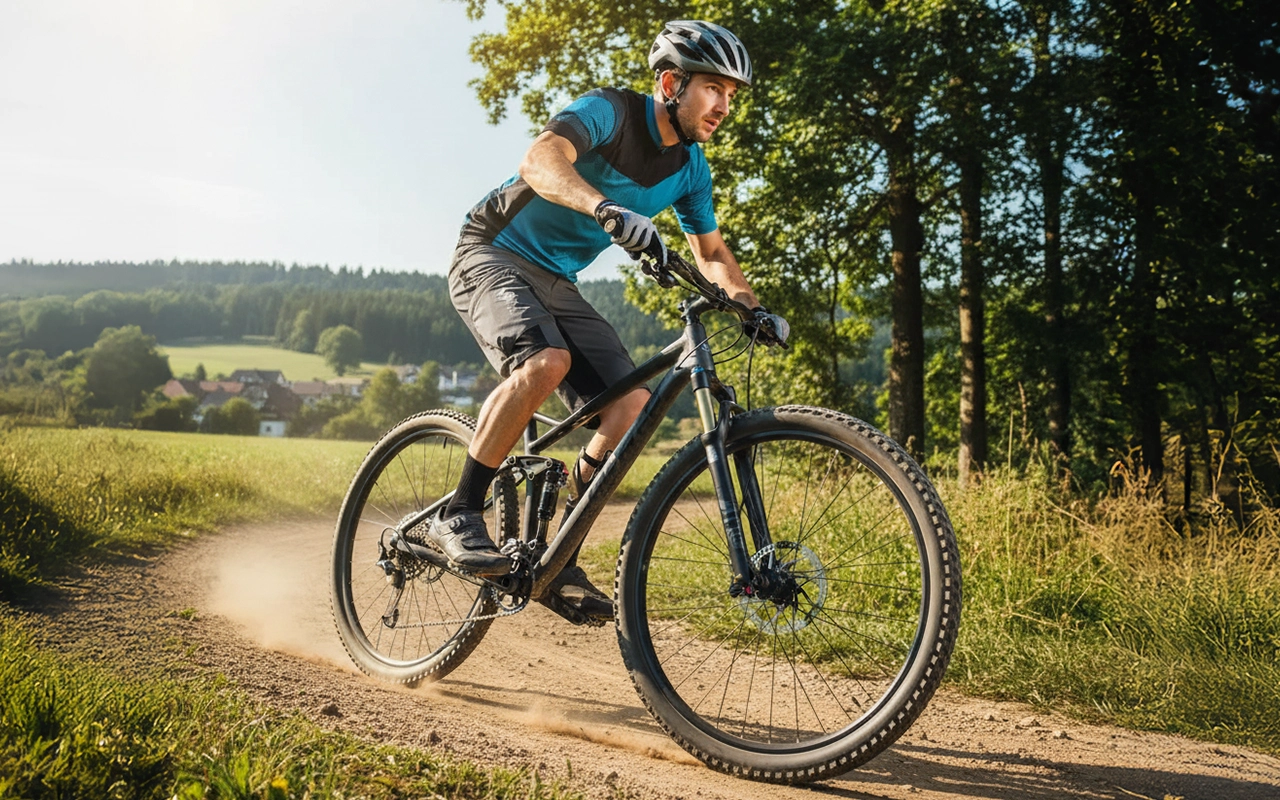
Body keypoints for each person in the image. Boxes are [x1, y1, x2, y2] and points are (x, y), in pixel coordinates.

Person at [428, 20, 788, 620]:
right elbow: (540, 159)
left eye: (731, 94)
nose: (725, 106)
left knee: (632, 407)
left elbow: (711, 252)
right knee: (546, 361)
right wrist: (604, 207)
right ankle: (459, 510)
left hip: (556, 279)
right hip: (491, 250)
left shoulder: (691, 169)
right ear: (671, 84)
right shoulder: (610, 112)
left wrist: (751, 308)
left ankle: (558, 558)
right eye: (713, 88)